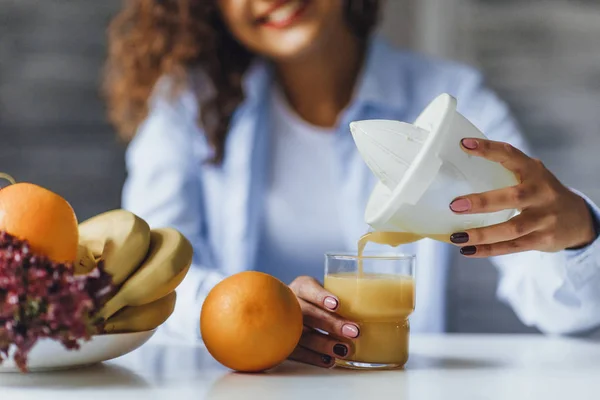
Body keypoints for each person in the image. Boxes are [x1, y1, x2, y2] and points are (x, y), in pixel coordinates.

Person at [104, 0, 600, 367]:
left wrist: (579, 234)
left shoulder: (449, 101)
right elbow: (153, 278)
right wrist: (253, 312)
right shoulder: (186, 107)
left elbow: (555, 307)